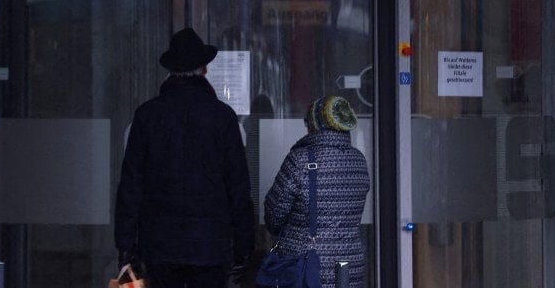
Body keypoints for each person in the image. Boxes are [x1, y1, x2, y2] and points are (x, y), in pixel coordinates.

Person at [115, 28, 255, 288]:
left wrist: (125, 247)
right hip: (211, 246)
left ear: (170, 71)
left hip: (159, 245)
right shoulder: (222, 117)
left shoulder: (147, 115)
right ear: (204, 69)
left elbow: (131, 186)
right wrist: (244, 248)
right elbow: (238, 188)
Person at [263, 96, 370, 288]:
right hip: (349, 266)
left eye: (308, 122)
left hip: (305, 267)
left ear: (315, 125)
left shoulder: (299, 160)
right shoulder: (359, 160)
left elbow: (274, 215)